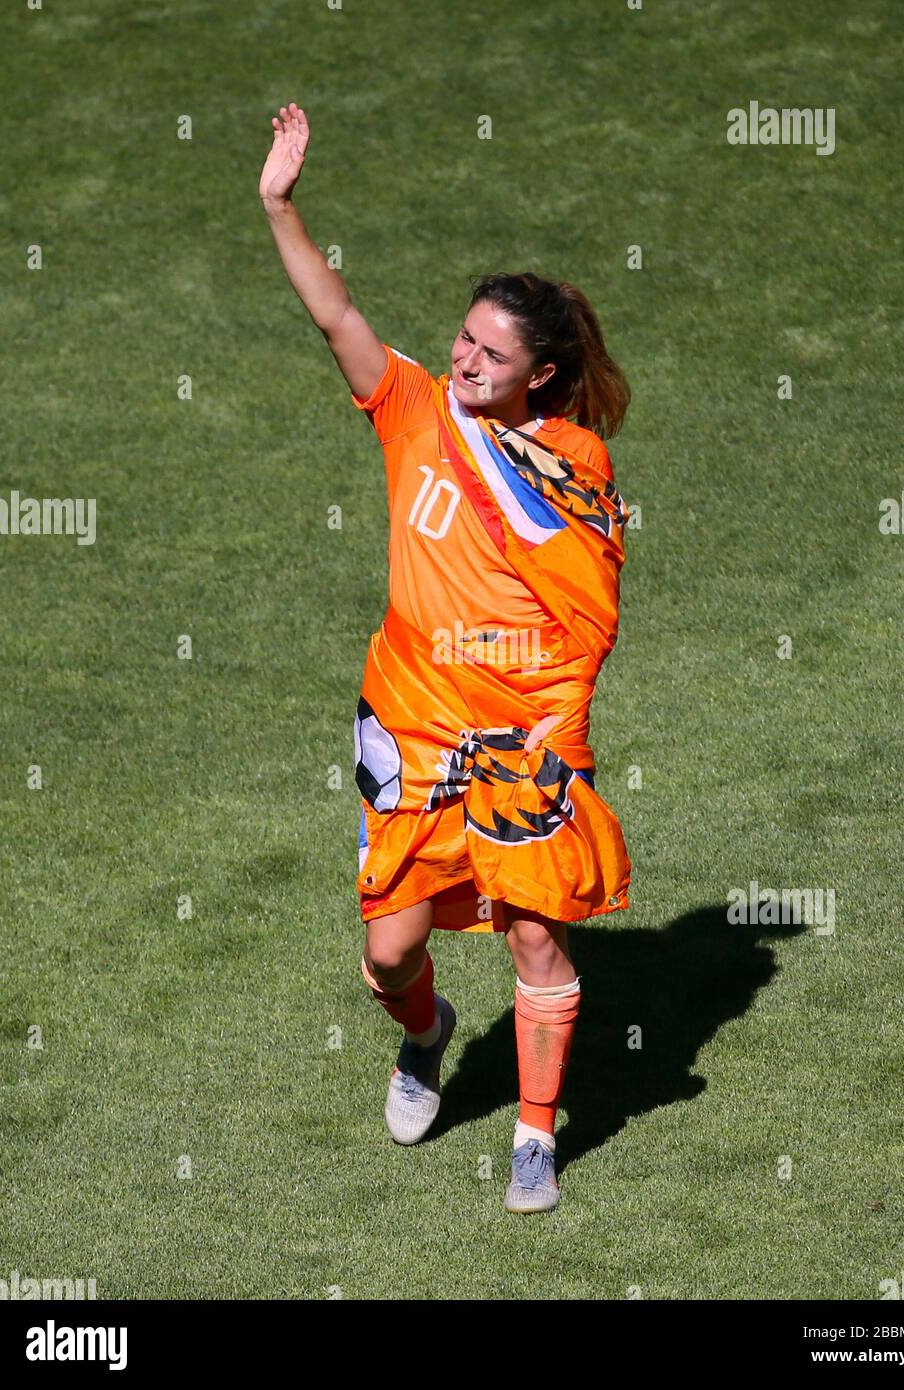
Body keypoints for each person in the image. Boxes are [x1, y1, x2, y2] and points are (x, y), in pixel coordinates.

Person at [261, 103, 632, 1214]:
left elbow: (588, 617)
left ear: (541, 375)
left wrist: (558, 727)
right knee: (388, 953)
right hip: (414, 716)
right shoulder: (413, 405)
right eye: (464, 339)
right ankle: (427, 1035)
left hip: (522, 727)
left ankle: (534, 1134)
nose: (466, 359)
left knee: (537, 938)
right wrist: (279, 205)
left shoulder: (573, 466)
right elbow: (336, 315)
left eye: (491, 353)